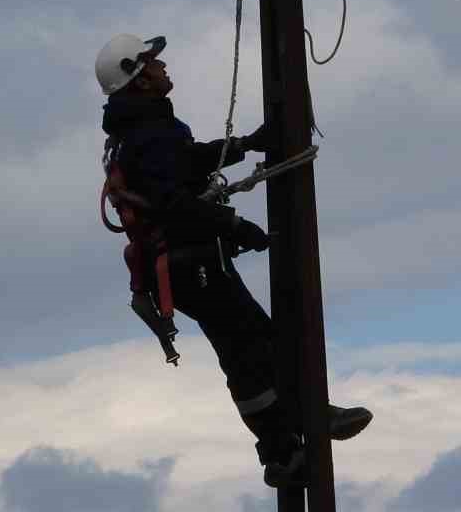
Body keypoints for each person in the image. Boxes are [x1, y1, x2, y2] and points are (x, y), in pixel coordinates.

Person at [95, 33, 372, 488]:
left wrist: (245, 144)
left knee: (255, 346)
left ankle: (296, 434)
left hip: (187, 263)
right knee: (250, 352)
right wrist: (233, 225)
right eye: (153, 64)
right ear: (138, 78)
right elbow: (172, 202)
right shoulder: (144, 133)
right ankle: (287, 446)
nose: (164, 68)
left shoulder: (140, 130)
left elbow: (184, 165)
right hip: (191, 262)